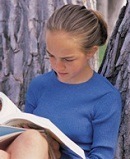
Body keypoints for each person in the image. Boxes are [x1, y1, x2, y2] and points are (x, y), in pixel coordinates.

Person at [0, 4, 122, 159]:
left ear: (91, 52)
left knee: (32, 140)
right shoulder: (40, 85)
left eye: (68, 59)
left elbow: (102, 156)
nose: (57, 66)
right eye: (51, 55)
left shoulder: (105, 97)